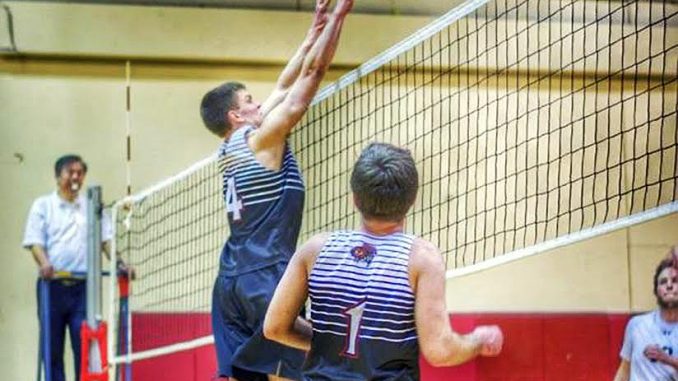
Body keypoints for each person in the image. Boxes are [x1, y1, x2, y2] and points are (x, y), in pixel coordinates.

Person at [199, 0, 354, 379]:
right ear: (237, 116)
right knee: (316, 364)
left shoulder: (227, 150)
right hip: (265, 278)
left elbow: (285, 84)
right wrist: (338, 17)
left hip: (229, 283)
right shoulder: (263, 139)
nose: (260, 102)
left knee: (243, 375)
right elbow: (309, 78)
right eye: (251, 100)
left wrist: (312, 31)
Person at [263, 143, 504, 380]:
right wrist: (478, 341)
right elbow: (439, 351)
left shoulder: (315, 249)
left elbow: (274, 327)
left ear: (355, 199)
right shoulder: (422, 259)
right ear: (412, 200)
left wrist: (328, 342)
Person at [23, 154, 113, 381]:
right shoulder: (43, 205)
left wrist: (120, 264)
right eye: (69, 172)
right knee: (52, 349)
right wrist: (45, 264)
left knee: (83, 345)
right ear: (57, 176)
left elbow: (106, 242)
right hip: (52, 289)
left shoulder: (92, 207)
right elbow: (35, 242)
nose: (75, 177)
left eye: (80, 173)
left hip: (83, 289)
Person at [614, 247, 678, 381]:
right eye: (663, 281)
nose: (669, 285)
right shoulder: (636, 325)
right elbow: (624, 370)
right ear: (656, 291)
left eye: (675, 280)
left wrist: (666, 359)